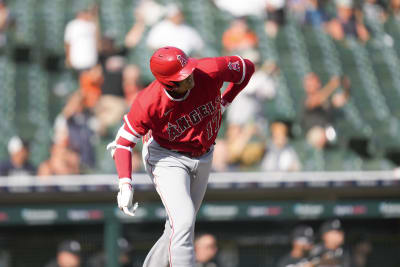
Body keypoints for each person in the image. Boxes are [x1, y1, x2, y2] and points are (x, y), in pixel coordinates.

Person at [107, 46, 255, 267]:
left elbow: (247, 68)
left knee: (178, 226)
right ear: (169, 83)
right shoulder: (149, 101)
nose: (190, 75)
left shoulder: (208, 70)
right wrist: (125, 183)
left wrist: (227, 99)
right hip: (166, 156)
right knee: (184, 220)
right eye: (184, 75)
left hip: (204, 154)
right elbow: (123, 143)